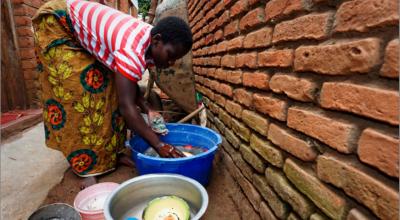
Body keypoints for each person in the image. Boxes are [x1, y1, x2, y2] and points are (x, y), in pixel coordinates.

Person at [32, 0, 191, 188]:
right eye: (170, 55)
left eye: (175, 59)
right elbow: (127, 106)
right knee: (81, 95)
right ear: (156, 40)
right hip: (58, 23)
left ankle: (112, 154)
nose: (171, 62)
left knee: (110, 91)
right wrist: (159, 145)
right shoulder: (131, 49)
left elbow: (129, 86)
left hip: (76, 27)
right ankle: (87, 166)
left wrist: (148, 109)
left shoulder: (149, 40)